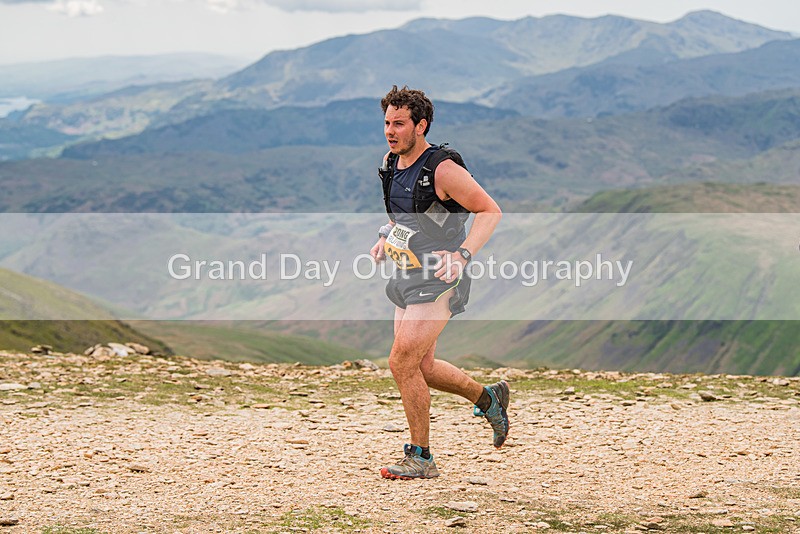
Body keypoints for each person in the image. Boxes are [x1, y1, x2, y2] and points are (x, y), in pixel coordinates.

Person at [369, 85, 508, 480]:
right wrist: (385, 235)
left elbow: (489, 210)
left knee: (401, 361)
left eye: (399, 124)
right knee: (422, 366)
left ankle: (421, 457)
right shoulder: (391, 163)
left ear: (421, 125)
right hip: (407, 272)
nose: (390, 131)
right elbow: (404, 214)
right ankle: (488, 397)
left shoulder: (442, 169)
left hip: (441, 278)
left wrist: (462, 254)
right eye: (386, 123)